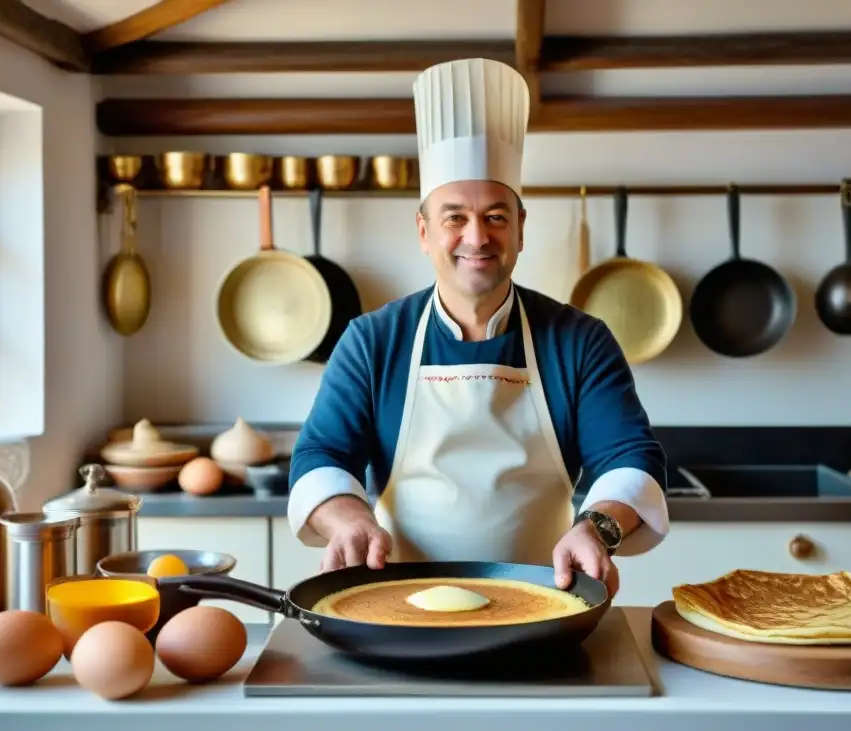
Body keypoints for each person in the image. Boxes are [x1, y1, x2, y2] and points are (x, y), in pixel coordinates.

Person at [287, 58, 669, 598]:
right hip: (396, 604)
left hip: (545, 602)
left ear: (519, 229)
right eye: (453, 218)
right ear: (424, 231)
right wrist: (348, 519)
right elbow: (320, 455)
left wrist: (597, 528)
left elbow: (630, 455)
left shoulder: (580, 340)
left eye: (495, 216)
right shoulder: (373, 341)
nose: (477, 236)